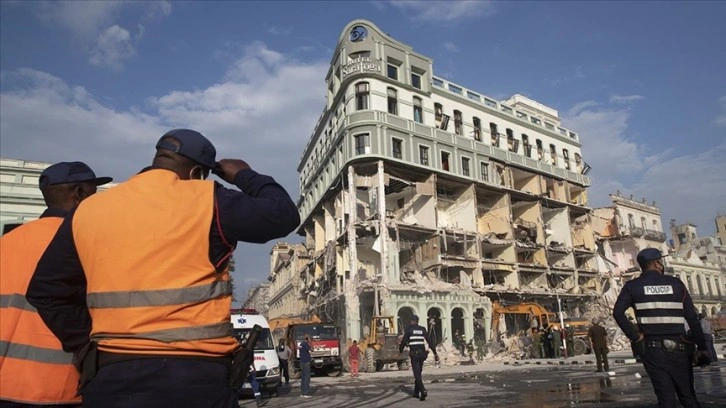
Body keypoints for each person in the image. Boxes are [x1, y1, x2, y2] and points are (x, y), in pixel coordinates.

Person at [26, 129, 300, 408]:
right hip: (196, 376)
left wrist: (85, 345)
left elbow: (45, 290)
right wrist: (244, 174)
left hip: (111, 373)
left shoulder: (89, 209)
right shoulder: (208, 198)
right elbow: (282, 215)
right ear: (196, 173)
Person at [1, 161, 111, 408]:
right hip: (55, 384)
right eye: (94, 191)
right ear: (80, 193)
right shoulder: (86, 242)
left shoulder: (8, 240)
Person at [613, 248, 711, 408]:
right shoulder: (676, 284)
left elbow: (617, 312)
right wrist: (702, 347)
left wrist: (635, 335)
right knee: (688, 396)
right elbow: (692, 318)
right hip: (680, 349)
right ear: (658, 263)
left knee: (666, 399)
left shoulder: (632, 287)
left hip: (652, 351)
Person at [399, 315, 438, 401]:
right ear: (417, 321)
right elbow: (430, 341)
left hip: (415, 355)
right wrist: (435, 353)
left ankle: (423, 390)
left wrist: (400, 350)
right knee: (418, 373)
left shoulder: (409, 329)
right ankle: (416, 392)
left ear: (412, 321)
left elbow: (404, 341)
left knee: (417, 375)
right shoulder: (422, 329)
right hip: (422, 355)